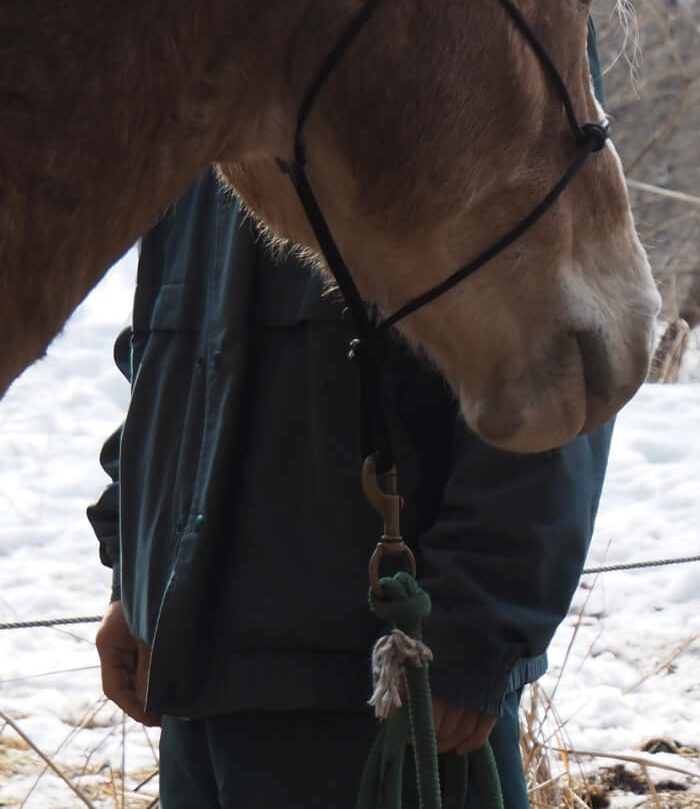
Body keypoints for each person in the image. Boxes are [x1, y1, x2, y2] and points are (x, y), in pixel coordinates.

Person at [88, 164, 617, 809]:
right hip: (195, 686)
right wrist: (135, 581)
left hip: (383, 689)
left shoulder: (458, 106)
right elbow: (165, 367)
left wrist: (471, 643)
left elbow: (546, 382)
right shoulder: (201, 130)